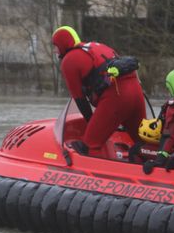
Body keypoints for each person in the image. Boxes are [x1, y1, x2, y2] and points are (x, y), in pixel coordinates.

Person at [52, 26, 146, 157]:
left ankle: (95, 175)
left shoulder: (69, 61)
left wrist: (91, 123)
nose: (54, 50)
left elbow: (79, 98)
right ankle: (153, 169)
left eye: (55, 46)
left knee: (90, 144)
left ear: (63, 44)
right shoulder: (96, 46)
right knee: (144, 142)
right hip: (136, 91)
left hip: (118, 95)